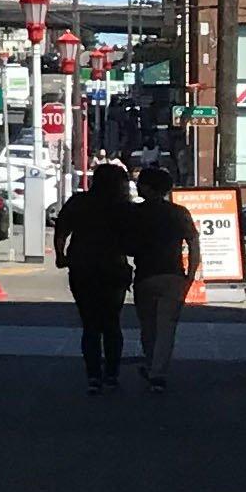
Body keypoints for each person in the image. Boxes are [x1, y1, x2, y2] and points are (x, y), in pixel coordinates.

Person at [53, 161, 136, 394]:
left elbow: (61, 230)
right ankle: (111, 373)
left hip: (82, 266)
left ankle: (93, 376)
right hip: (113, 268)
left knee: (90, 324)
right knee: (112, 323)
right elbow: (134, 240)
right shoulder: (124, 207)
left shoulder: (79, 202)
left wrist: (61, 256)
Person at [128, 165, 202, 393]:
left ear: (149, 188)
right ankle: (157, 373)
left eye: (141, 183)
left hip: (145, 275)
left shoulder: (135, 213)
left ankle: (152, 366)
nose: (138, 186)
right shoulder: (179, 212)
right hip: (173, 275)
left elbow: (126, 245)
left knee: (148, 326)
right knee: (166, 327)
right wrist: (190, 274)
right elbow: (193, 242)